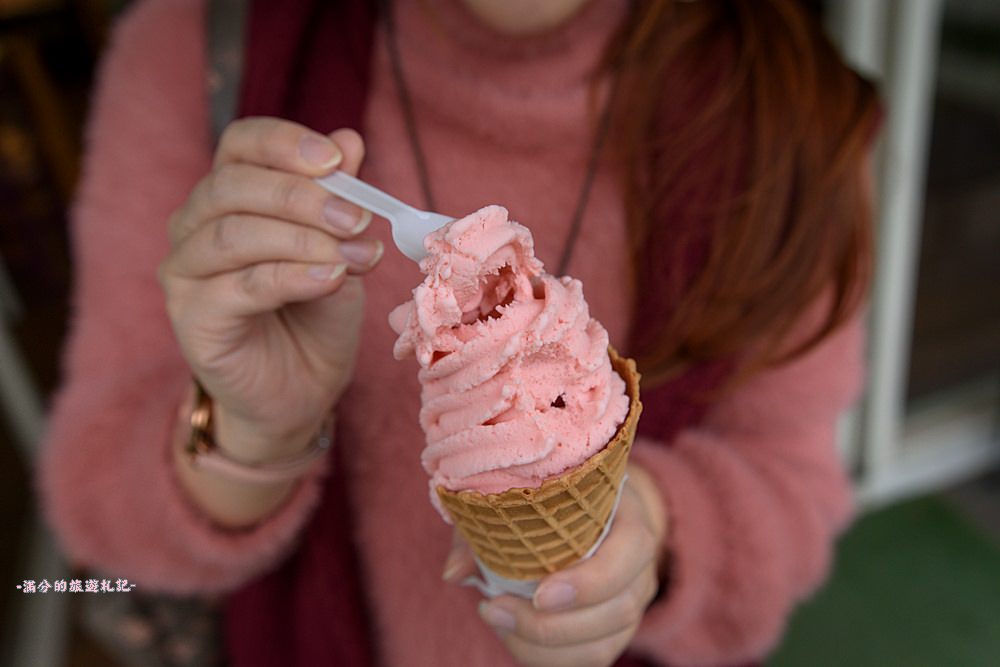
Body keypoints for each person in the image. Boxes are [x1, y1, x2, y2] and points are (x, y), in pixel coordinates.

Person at [37, 0, 880, 665]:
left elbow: (793, 487)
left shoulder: (791, 117)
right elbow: (101, 515)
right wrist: (257, 432)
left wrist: (651, 529)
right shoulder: (196, 52)